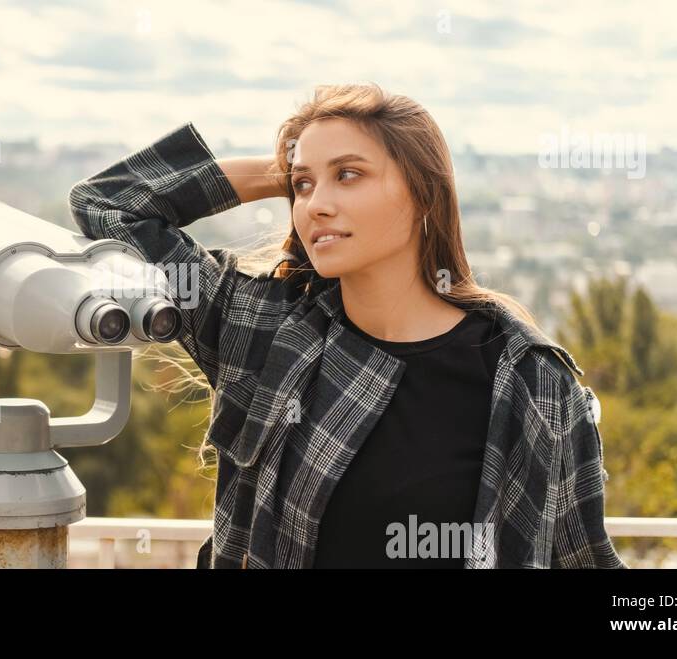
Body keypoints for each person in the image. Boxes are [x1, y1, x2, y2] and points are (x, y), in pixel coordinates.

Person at [68, 83, 626, 569]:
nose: (315, 206)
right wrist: (279, 171)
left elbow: (586, 560)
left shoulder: (530, 381)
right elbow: (108, 205)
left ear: (422, 192)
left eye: (349, 175)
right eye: (304, 186)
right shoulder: (266, 332)